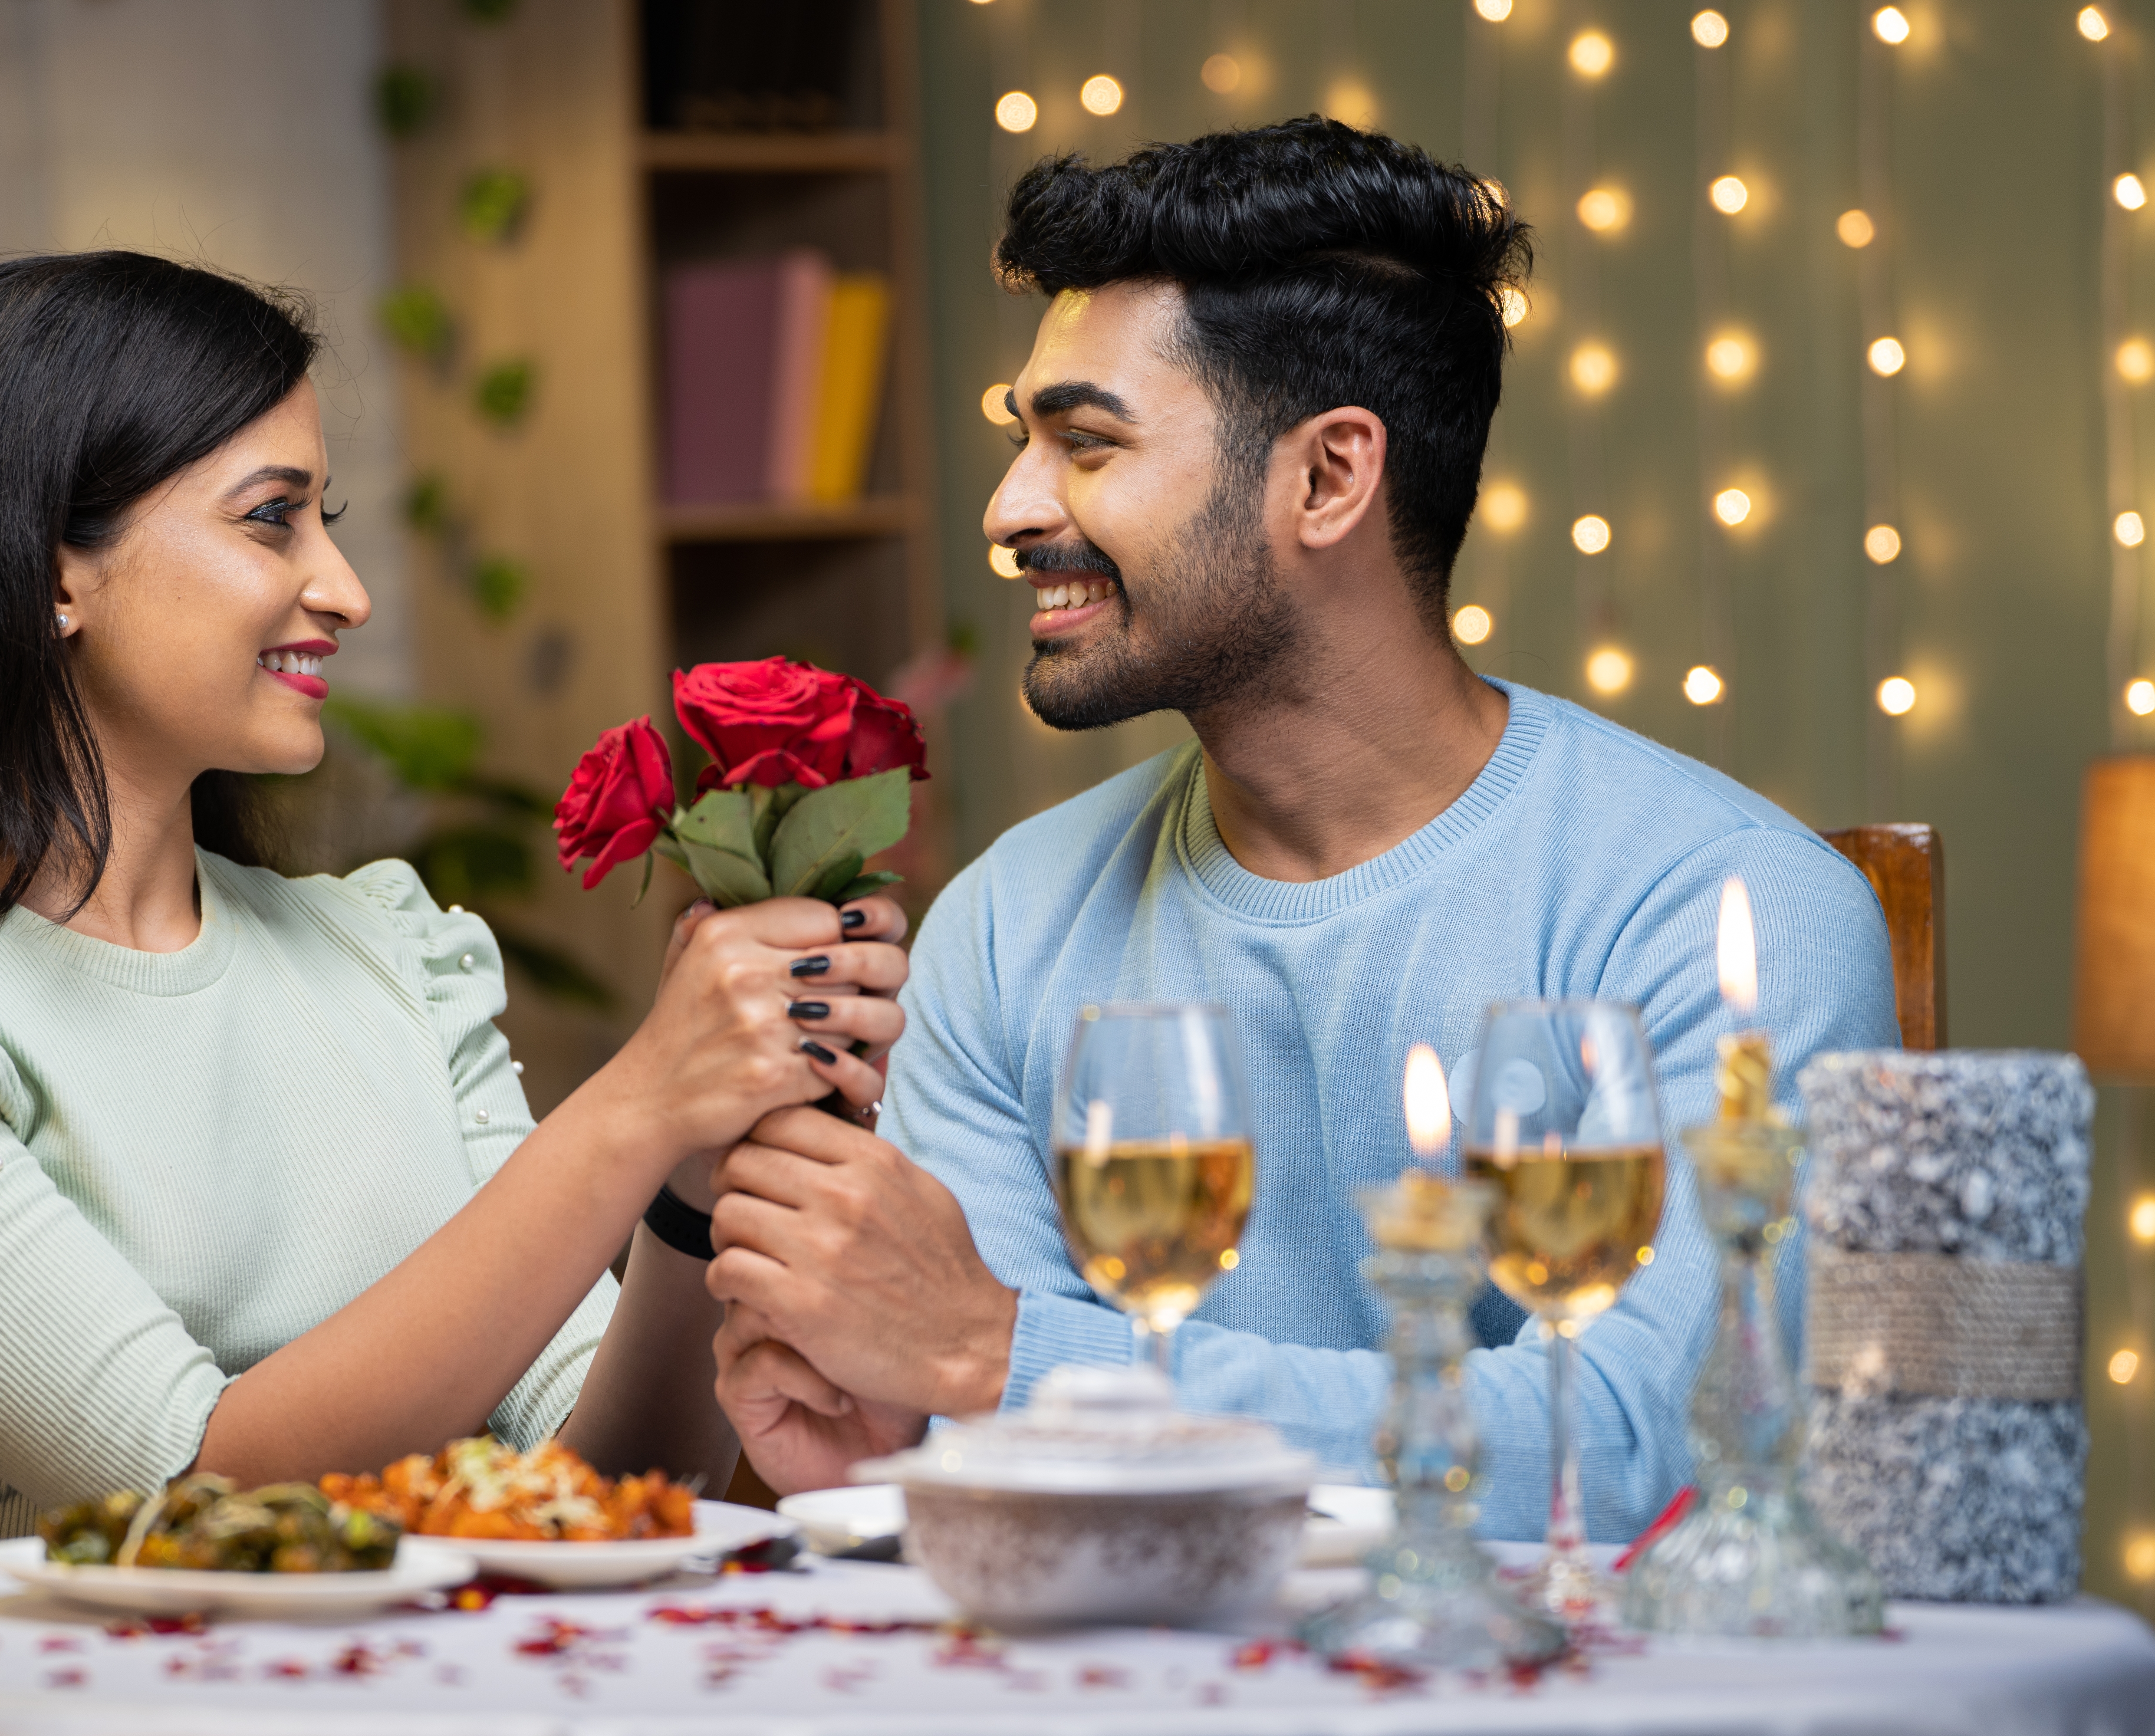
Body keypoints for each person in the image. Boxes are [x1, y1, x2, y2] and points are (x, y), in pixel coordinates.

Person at [0, 251, 911, 1635]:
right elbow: (189, 1504)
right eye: (273, 521)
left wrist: (688, 1175)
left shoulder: (382, 949)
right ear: (45, 574)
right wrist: (635, 1103)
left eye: (329, 518)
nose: (346, 590)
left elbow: (594, 1485)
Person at [704, 120, 1898, 1543]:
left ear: (1330, 478)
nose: (1010, 511)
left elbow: (1653, 1451)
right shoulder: (1008, 922)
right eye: (1023, 443)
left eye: (1085, 443)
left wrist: (999, 1362)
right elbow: (985, 1421)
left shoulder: (1733, 913)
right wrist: (901, 1426)